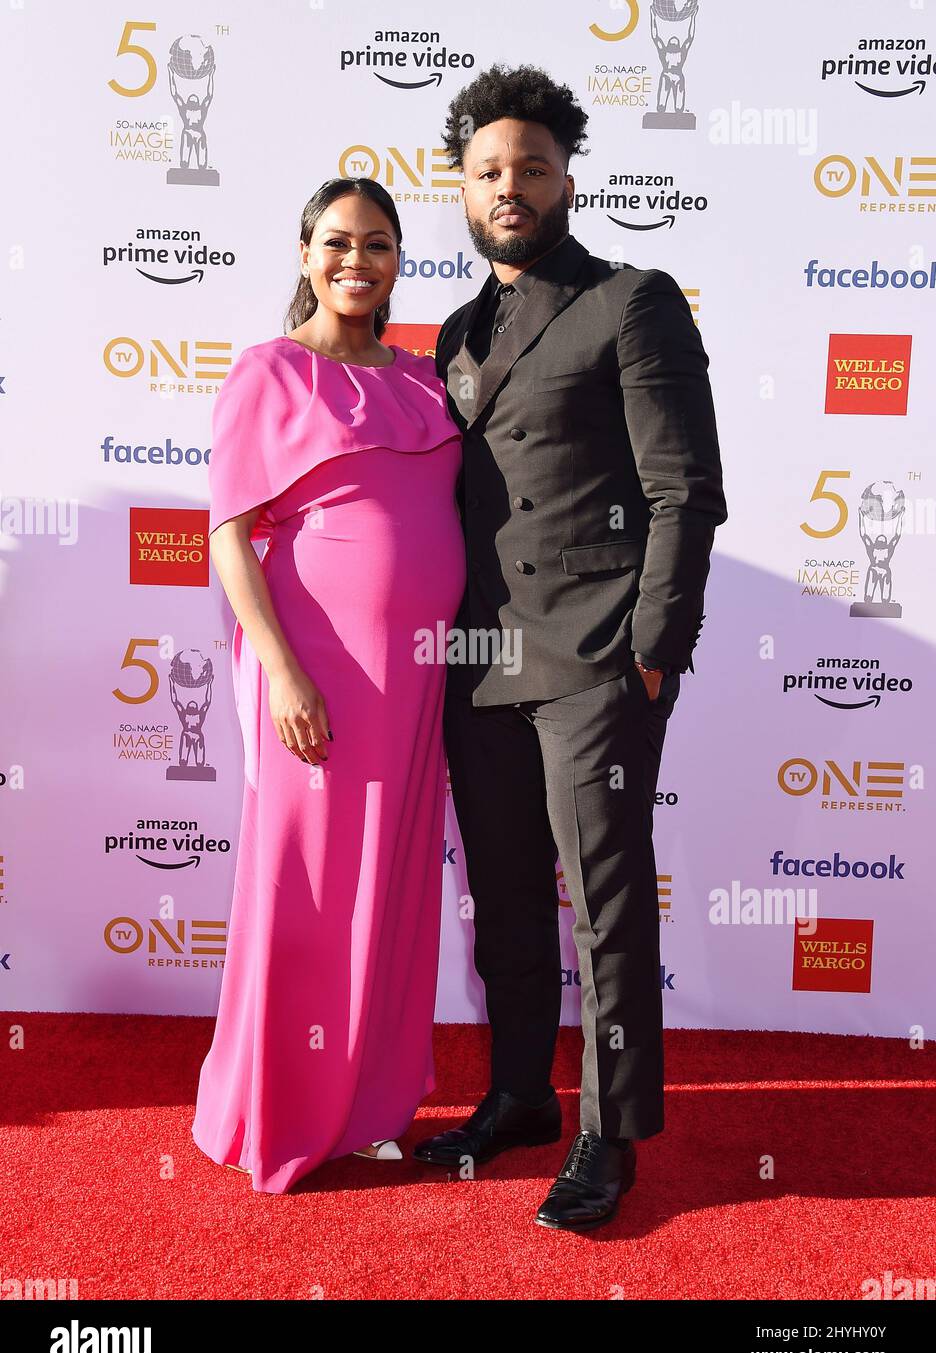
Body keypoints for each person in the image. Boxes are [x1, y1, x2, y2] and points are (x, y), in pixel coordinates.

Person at [413, 64, 728, 1231]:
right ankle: (518, 1095)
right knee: (502, 896)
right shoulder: (454, 330)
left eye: (532, 168)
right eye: (489, 170)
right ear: (464, 187)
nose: (511, 186)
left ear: (568, 180)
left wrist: (653, 650)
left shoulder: (632, 298)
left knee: (603, 907)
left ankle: (610, 1131)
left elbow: (682, 490)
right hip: (479, 661)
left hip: (595, 661)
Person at [191, 178, 466, 1194]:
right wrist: (282, 671)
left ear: (398, 261)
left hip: (419, 684)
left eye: (379, 244)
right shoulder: (272, 373)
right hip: (319, 677)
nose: (359, 259)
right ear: (305, 251)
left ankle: (371, 1105)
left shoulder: (431, 382)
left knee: (388, 891)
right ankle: (281, 1109)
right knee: (302, 890)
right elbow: (230, 536)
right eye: (339, 242)